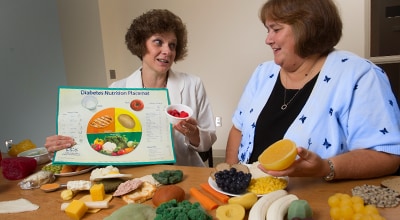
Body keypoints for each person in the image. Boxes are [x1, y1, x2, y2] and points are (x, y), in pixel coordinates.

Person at [225, 0, 400, 180]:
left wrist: (326, 168)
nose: (268, 40)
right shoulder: (263, 72)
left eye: (276, 29)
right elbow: (238, 129)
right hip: (251, 196)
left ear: (306, 28)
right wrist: (230, 179)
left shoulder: (359, 75)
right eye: (267, 30)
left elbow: (387, 155)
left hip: (313, 200)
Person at [45, 9, 217, 167]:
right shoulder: (117, 89)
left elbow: (208, 140)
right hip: (137, 176)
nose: (167, 51)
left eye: (172, 45)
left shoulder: (193, 84)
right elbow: (103, 138)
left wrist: (193, 134)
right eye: (158, 42)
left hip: (186, 172)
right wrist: (66, 146)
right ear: (141, 45)